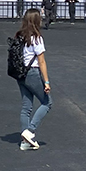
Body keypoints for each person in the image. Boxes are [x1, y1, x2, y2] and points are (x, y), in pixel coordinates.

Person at [13, 10, 52, 150]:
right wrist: (46, 81)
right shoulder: (36, 38)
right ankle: (30, 131)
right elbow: (41, 61)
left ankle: (25, 142)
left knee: (26, 107)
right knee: (47, 103)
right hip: (32, 73)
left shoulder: (19, 36)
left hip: (20, 73)